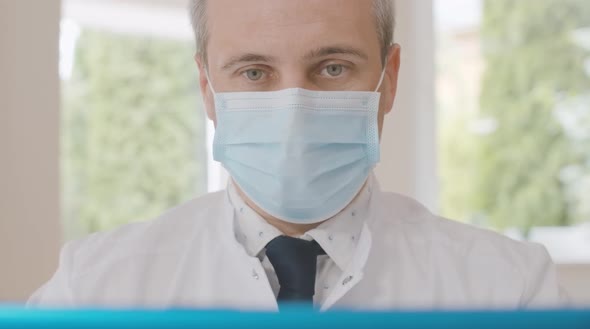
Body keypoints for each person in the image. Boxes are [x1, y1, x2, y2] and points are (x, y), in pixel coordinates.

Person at [28, 0, 566, 311]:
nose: (293, 108)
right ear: (206, 87)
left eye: (332, 67)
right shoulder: (94, 290)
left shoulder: (511, 291)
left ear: (390, 79)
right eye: (254, 72)